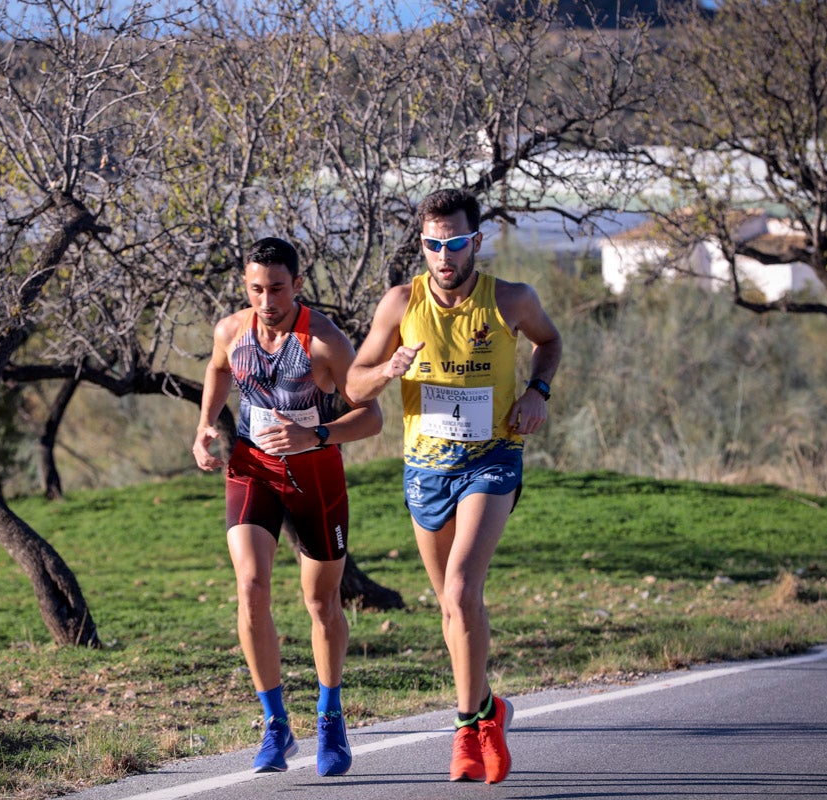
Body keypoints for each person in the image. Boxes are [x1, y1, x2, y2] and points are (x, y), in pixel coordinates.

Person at [346, 188, 562, 784]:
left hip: (492, 459)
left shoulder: (510, 300)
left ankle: (467, 729)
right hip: (426, 469)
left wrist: (536, 392)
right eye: (433, 244)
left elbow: (550, 342)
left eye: (456, 242)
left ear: (477, 241)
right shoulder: (400, 304)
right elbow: (353, 386)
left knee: (464, 587)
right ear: (423, 245)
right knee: (451, 605)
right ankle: (493, 709)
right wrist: (388, 369)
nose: (445, 255)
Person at [193, 236, 383, 777]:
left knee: (321, 603)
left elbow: (371, 419)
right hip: (252, 467)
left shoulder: (324, 341)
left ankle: (330, 715)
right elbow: (219, 369)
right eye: (256, 288)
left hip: (315, 474)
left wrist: (315, 436)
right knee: (250, 586)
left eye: (277, 288)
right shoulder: (232, 330)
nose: (266, 300)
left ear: (297, 284)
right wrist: (206, 425)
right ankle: (276, 725)